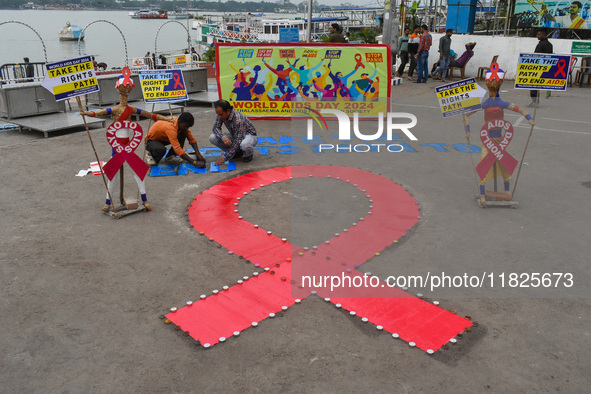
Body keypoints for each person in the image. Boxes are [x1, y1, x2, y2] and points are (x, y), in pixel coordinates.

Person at [80, 67, 173, 212]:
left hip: (128, 146)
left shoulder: (131, 110)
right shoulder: (115, 110)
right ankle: (107, 201)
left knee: (138, 171)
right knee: (112, 173)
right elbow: (99, 113)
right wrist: (86, 113)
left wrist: (166, 119)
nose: (125, 95)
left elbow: (150, 115)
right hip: (116, 146)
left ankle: (144, 199)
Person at [462, 63, 535, 207]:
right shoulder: (486, 103)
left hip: (500, 140)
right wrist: (467, 130)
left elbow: (520, 110)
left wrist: (529, 118)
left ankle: (507, 192)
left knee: (504, 164)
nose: (492, 90)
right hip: (487, 139)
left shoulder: (501, 102)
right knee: (484, 163)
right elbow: (466, 114)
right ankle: (482, 194)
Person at [210, 99, 258, 165]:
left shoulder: (239, 119)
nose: (219, 117)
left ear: (228, 111)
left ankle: (248, 154)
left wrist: (225, 157)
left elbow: (238, 141)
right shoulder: (221, 114)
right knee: (212, 138)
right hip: (236, 135)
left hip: (249, 136)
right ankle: (237, 153)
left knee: (244, 144)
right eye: (218, 114)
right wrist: (223, 137)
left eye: (221, 114)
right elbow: (215, 128)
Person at [529, 28, 553, 107]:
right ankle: (535, 101)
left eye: (538, 34)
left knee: (533, 86)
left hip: (538, 68)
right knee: (537, 86)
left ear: (543, 35)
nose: (537, 36)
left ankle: (534, 102)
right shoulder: (550, 44)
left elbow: (536, 57)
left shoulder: (541, 45)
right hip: (546, 68)